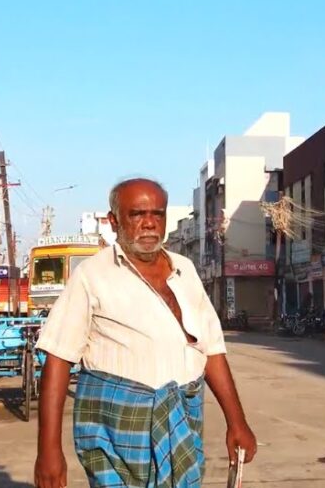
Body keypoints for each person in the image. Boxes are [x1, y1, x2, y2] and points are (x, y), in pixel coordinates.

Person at [34, 178, 257, 488]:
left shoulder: (185, 270)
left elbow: (211, 349)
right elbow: (58, 359)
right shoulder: (92, 275)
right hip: (117, 433)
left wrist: (237, 421)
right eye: (137, 214)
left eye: (158, 213)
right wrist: (48, 451)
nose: (150, 223)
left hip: (182, 425)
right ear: (114, 221)